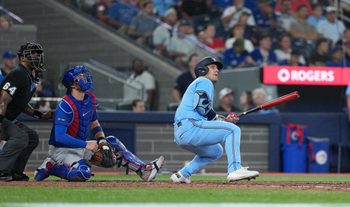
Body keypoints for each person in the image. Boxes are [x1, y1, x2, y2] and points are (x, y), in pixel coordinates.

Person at [34, 65, 164, 182]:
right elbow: (60, 137)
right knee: (82, 173)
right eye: (80, 77)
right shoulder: (65, 105)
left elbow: (94, 123)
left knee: (111, 142)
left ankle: (143, 170)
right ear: (72, 84)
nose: (85, 78)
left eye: (84, 75)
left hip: (82, 146)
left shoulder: (90, 98)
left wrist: (101, 139)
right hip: (61, 150)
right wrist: (86, 144)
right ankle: (50, 166)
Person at [171, 56, 259, 184]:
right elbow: (201, 105)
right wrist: (221, 120)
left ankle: (183, 174)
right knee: (233, 130)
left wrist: (223, 121)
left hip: (182, 132)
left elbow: (204, 112)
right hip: (190, 126)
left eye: (217, 68)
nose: (216, 70)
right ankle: (235, 169)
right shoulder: (203, 81)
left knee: (215, 151)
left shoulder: (199, 83)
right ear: (202, 70)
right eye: (212, 67)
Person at [0, 42, 53, 182]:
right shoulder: (18, 74)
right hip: (1, 117)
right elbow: (2, 100)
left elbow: (21, 104)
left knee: (32, 137)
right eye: (34, 53)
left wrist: (39, 115)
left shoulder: (30, 77)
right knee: (21, 137)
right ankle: (1, 170)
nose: (38, 57)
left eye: (39, 54)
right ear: (23, 58)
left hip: (7, 118)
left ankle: (15, 172)